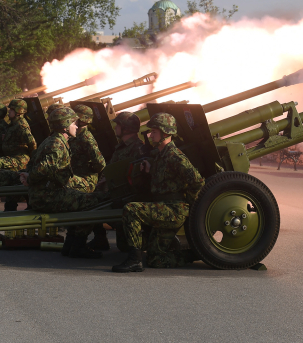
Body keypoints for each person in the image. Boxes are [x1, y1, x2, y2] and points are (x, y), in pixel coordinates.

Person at [112, 113, 205, 273]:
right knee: (156, 260)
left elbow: (197, 182)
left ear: (165, 133)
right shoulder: (160, 155)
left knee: (131, 209)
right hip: (162, 208)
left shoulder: (176, 157)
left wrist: (190, 207)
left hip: (172, 210)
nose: (150, 134)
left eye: (154, 131)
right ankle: (195, 253)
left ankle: (134, 260)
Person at [20, 106, 104, 259]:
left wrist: (28, 176)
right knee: (92, 202)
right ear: (65, 126)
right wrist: (30, 178)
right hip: (47, 196)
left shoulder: (51, 140)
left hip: (45, 193)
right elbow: (42, 169)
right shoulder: (57, 144)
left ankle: (70, 245)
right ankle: (78, 245)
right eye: (73, 123)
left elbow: (33, 164)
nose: (76, 126)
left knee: (79, 199)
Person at [88, 111, 147, 251]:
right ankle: (100, 238)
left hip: (127, 196)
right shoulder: (121, 147)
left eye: (118, 125)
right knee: (90, 199)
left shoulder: (139, 149)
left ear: (126, 128)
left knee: (124, 247)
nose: (115, 128)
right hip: (116, 192)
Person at [67, 104, 106, 194]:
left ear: (83, 121)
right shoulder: (74, 135)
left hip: (86, 180)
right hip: (75, 178)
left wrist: (88, 170)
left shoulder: (86, 138)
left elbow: (100, 163)